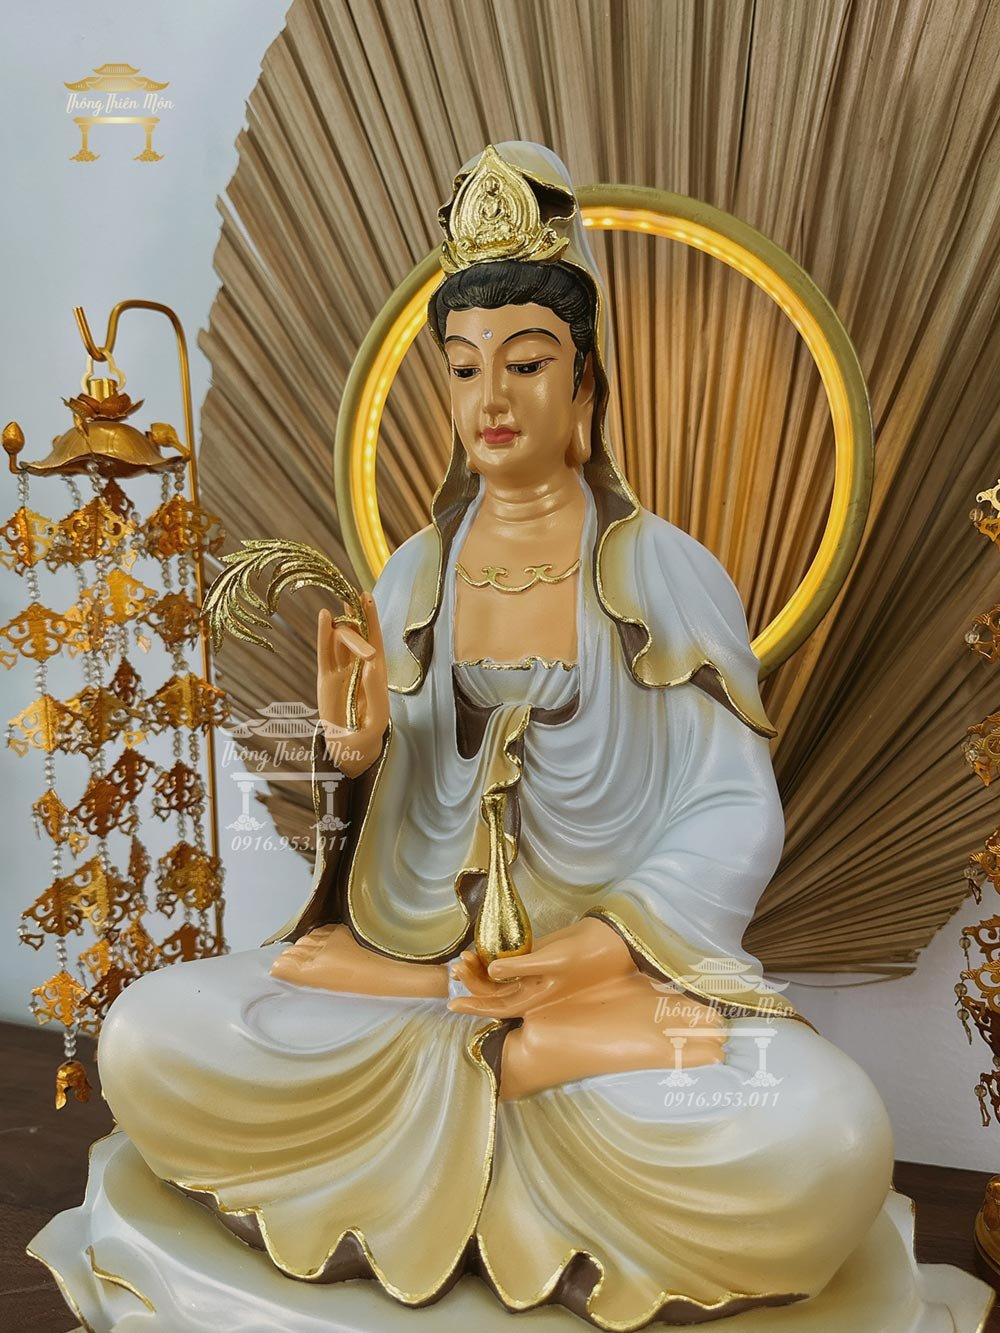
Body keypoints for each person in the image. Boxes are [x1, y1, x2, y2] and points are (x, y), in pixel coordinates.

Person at [32, 141, 916, 1331]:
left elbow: (731, 804)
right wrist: (353, 761)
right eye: (462, 368)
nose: (490, 400)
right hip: (413, 996)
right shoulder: (415, 575)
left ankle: (518, 1056)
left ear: (586, 383)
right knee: (151, 1034)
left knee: (825, 1136)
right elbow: (380, 847)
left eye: (526, 363)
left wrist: (603, 945)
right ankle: (503, 1053)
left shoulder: (665, 574)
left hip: (597, 986)